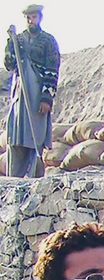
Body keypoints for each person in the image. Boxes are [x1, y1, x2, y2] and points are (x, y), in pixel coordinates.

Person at [4, 4, 59, 178]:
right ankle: (15, 179)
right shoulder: (18, 40)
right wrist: (9, 44)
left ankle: (35, 178)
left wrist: (46, 98)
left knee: (35, 136)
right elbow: (9, 65)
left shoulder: (48, 41)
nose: (30, 20)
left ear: (39, 17)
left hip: (36, 96)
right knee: (17, 136)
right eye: (28, 17)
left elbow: (53, 70)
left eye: (33, 17)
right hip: (20, 94)